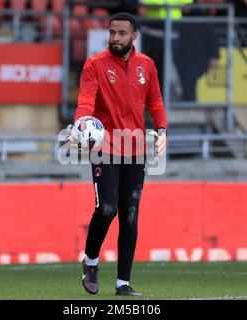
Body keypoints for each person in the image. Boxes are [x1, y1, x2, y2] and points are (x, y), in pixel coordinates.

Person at [67, 12, 168, 296]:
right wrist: (80, 126)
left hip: (136, 150)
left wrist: (163, 130)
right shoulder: (95, 64)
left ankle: (123, 283)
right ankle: (91, 261)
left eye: (121, 33)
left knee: (130, 216)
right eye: (112, 33)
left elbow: (156, 101)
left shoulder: (146, 65)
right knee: (107, 209)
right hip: (105, 148)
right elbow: (86, 100)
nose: (115, 38)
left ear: (133, 36)